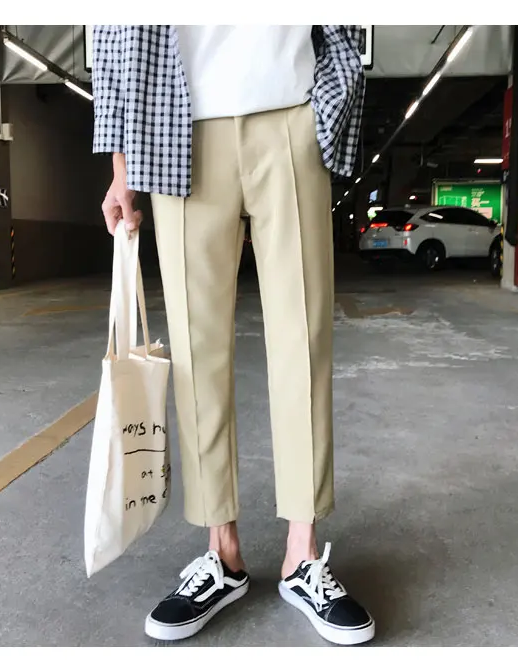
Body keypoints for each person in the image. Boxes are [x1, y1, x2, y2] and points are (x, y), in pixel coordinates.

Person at [93, 25, 373, 645]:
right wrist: (122, 164)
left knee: (303, 341)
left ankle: (303, 553)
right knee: (197, 351)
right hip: (177, 127)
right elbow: (112, 27)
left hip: (292, 113)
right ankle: (221, 552)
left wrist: (332, 99)